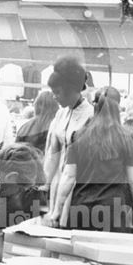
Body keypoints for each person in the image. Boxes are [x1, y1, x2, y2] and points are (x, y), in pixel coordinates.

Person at [50, 87, 133, 232]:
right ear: (118, 107)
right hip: (114, 212)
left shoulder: (78, 136)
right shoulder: (126, 139)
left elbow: (68, 177)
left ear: (95, 106)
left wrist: (56, 211)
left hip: (82, 209)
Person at [43, 56, 94, 221]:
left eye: (57, 92)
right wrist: (45, 183)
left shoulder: (91, 116)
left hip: (77, 187)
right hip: (58, 184)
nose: (54, 97)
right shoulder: (60, 114)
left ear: (71, 89)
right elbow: (52, 153)